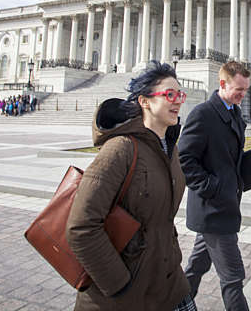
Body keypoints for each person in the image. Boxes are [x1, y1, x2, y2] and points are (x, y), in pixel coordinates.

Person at [66, 61, 195, 311]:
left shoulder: (170, 149)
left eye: (180, 94)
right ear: (145, 102)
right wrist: (119, 284)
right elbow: (81, 226)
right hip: (122, 294)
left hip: (167, 280)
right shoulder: (121, 149)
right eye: (170, 94)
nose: (178, 100)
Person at [179, 61, 251, 311]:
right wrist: (213, 188)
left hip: (224, 204)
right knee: (233, 278)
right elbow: (184, 160)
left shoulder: (233, 112)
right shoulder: (203, 114)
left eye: (246, 90)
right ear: (222, 84)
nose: (243, 95)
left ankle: (176, 304)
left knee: (197, 266)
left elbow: (232, 161)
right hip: (213, 209)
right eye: (239, 90)